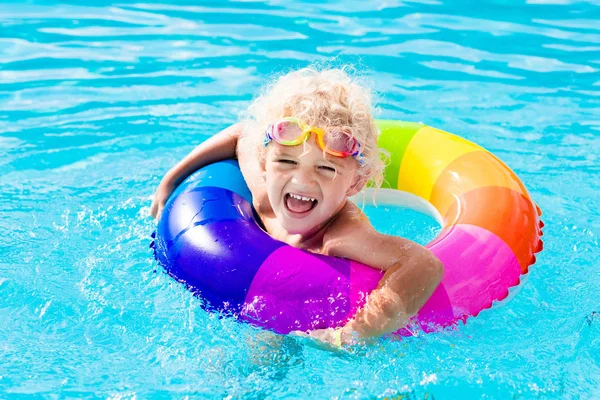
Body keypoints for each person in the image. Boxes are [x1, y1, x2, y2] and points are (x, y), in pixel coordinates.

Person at [150, 67, 443, 347]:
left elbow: (423, 264)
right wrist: (170, 181)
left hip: (323, 321)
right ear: (264, 161)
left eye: (326, 169)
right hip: (272, 304)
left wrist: (354, 333)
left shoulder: (341, 236)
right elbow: (242, 134)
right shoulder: (264, 195)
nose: (302, 181)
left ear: (355, 183)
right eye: (288, 162)